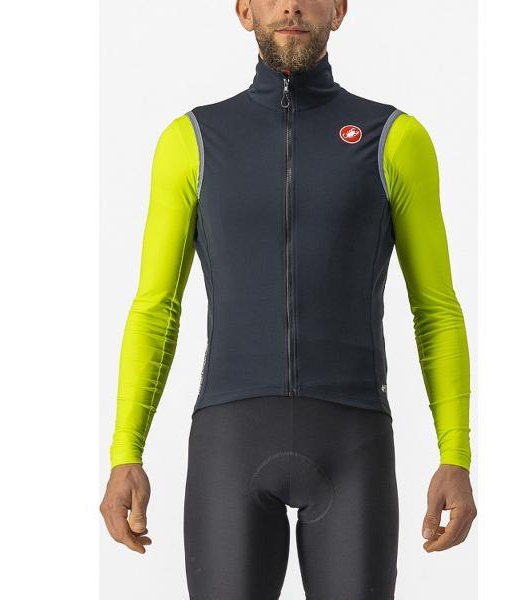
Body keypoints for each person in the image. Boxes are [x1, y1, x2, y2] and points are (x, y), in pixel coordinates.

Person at [100, 1, 477, 598]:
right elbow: (156, 308)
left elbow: (435, 309)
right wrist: (126, 450)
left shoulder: (395, 139)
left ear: (340, 9)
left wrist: (455, 454)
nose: (292, 5)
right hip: (230, 441)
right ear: (244, 10)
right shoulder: (192, 141)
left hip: (354, 442)